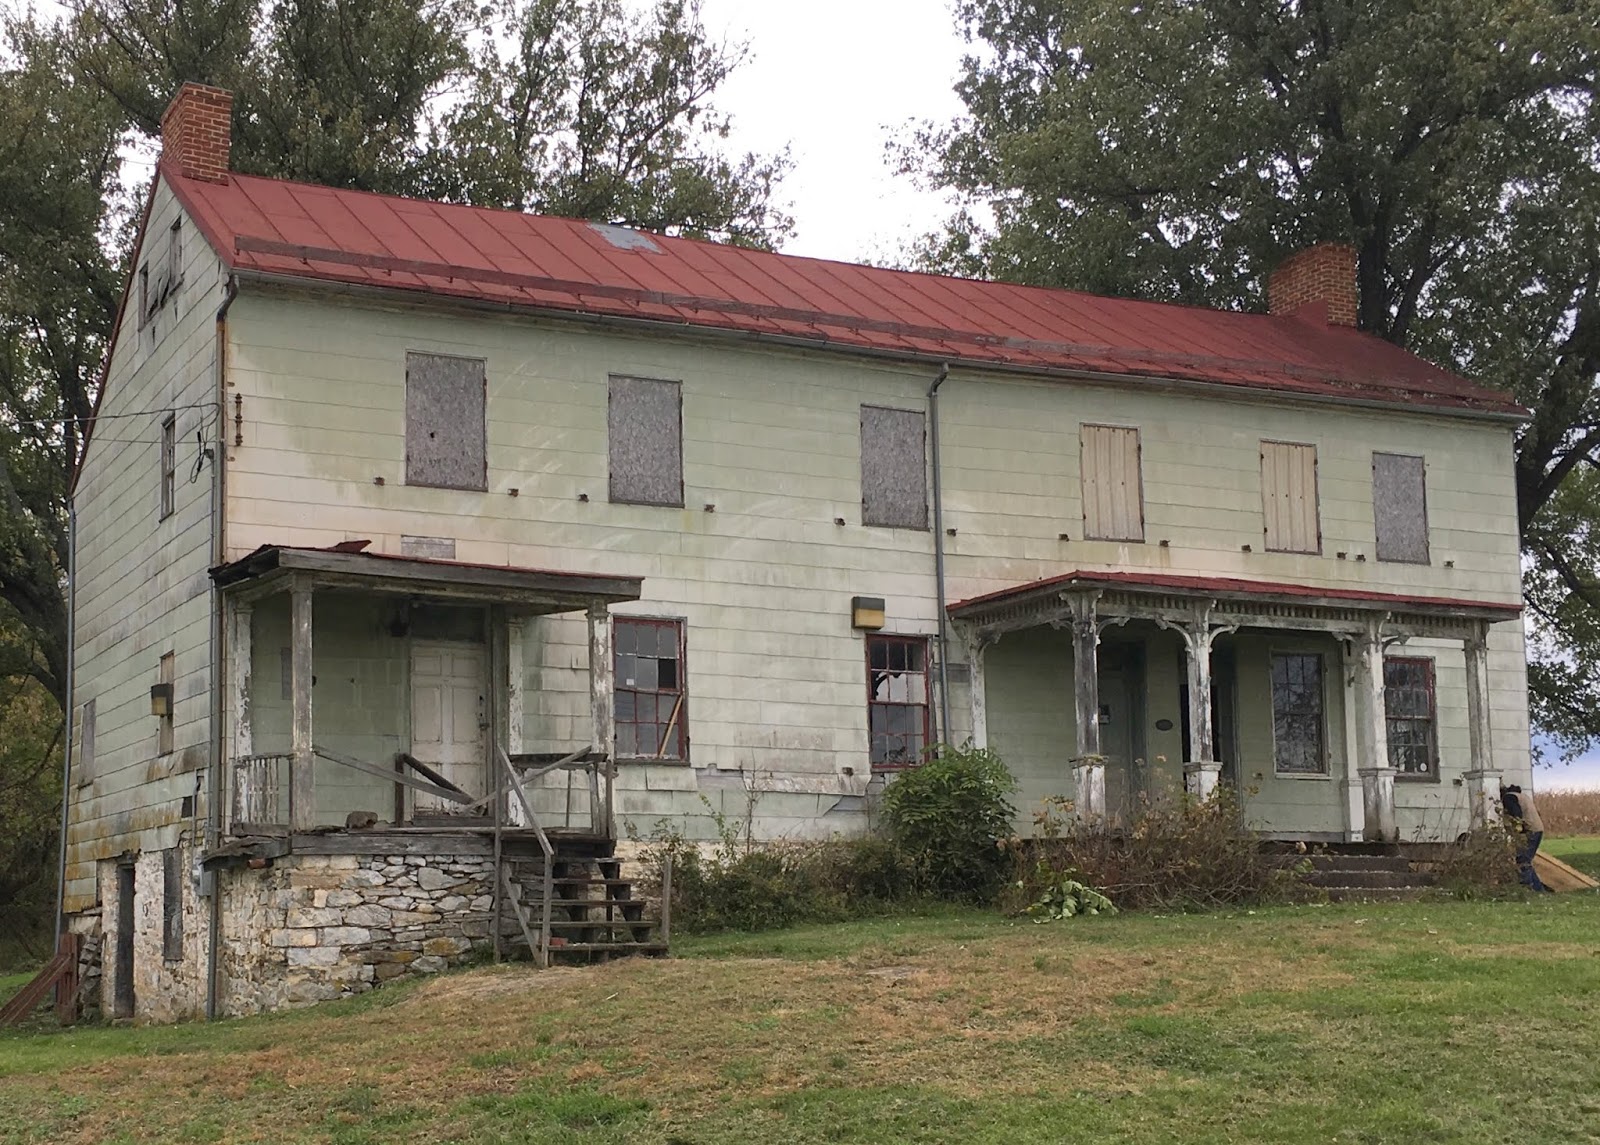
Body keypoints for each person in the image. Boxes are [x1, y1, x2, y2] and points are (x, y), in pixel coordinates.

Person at [1500, 784, 1550, 892]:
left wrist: (1518, 830)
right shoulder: (1520, 796)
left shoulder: (1508, 797)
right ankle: (1538, 888)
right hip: (1537, 829)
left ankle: (1527, 888)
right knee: (1526, 861)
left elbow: (1516, 815)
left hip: (1529, 831)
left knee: (1523, 861)